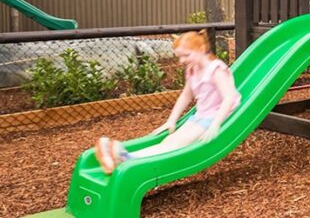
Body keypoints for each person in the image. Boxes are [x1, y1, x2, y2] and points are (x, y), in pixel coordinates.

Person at [94, 29, 241, 175]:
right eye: (179, 57)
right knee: (170, 140)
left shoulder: (216, 70)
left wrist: (215, 125)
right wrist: (171, 121)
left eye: (186, 55)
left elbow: (229, 97)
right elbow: (185, 95)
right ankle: (122, 155)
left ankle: (127, 158)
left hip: (217, 115)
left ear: (201, 49)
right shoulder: (193, 69)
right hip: (202, 115)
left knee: (178, 144)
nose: (181, 60)